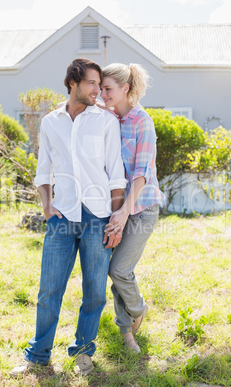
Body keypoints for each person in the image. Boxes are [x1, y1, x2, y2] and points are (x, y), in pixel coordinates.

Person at [9, 58, 127, 377]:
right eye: (91, 83)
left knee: (93, 291)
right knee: (49, 288)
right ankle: (38, 355)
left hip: (98, 215)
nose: (97, 90)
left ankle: (84, 352)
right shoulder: (50, 122)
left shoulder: (105, 121)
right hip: (62, 215)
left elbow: (116, 174)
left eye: (99, 84)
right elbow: (43, 170)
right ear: (72, 83)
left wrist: (117, 217)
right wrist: (47, 206)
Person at [100, 63, 166, 353]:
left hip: (142, 208)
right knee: (115, 272)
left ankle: (138, 309)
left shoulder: (142, 121)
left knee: (119, 269)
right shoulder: (110, 119)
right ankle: (127, 334)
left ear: (126, 89)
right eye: (100, 88)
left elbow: (141, 173)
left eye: (108, 89)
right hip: (117, 207)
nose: (102, 93)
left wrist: (125, 211)